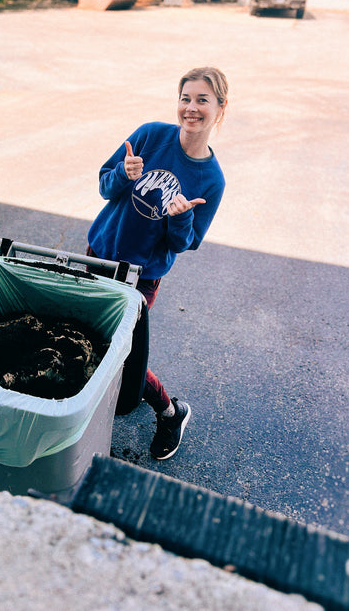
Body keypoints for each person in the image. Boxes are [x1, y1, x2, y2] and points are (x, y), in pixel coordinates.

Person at [87, 66, 228, 460]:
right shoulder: (150, 134)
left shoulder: (211, 180)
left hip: (141, 276)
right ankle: (91, 403)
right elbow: (104, 184)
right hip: (100, 252)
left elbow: (186, 243)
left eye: (203, 100)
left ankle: (170, 412)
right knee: (85, 329)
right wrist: (123, 174)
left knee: (119, 350)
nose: (191, 108)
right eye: (186, 98)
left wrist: (180, 218)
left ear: (220, 108)